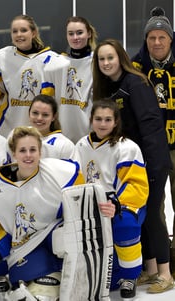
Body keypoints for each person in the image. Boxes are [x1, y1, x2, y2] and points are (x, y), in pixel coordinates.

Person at [0, 126, 115, 300]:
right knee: (40, 288)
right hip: (24, 247)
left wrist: (109, 205)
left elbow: (86, 198)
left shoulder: (61, 172)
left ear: (40, 152)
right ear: (13, 154)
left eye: (33, 150)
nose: (28, 155)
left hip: (56, 239)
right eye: (22, 150)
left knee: (66, 240)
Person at [92, 38, 174, 293]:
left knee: (154, 217)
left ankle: (165, 273)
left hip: (150, 161)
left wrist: (153, 164)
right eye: (102, 59)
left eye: (110, 58)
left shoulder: (135, 83)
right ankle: (150, 270)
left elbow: (151, 126)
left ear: (120, 59)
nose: (106, 63)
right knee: (142, 216)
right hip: (130, 164)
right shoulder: (108, 86)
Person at [73, 100, 149, 299]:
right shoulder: (81, 145)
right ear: (91, 120)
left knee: (125, 226)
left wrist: (117, 204)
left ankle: (129, 277)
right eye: (98, 119)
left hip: (124, 203)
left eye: (108, 119)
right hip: (92, 202)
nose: (103, 123)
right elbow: (74, 178)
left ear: (116, 122)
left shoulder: (127, 147)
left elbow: (136, 184)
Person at [131, 6, 175, 278]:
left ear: (171, 39)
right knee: (154, 208)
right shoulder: (136, 69)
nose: (156, 42)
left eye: (162, 37)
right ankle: (161, 258)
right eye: (151, 37)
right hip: (152, 150)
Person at [0, 15, 69, 138]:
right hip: (8, 131)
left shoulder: (51, 59)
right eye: (14, 31)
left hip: (40, 134)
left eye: (23, 30)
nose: (19, 34)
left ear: (34, 33)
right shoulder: (2, 57)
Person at [60, 16, 97, 143]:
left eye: (80, 33)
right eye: (71, 34)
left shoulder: (97, 61)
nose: (75, 37)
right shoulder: (58, 62)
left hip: (89, 137)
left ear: (89, 34)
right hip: (63, 138)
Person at [28, 94, 74, 159]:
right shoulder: (17, 136)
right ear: (29, 113)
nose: (39, 118)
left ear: (53, 117)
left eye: (45, 115)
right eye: (35, 113)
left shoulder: (65, 145)